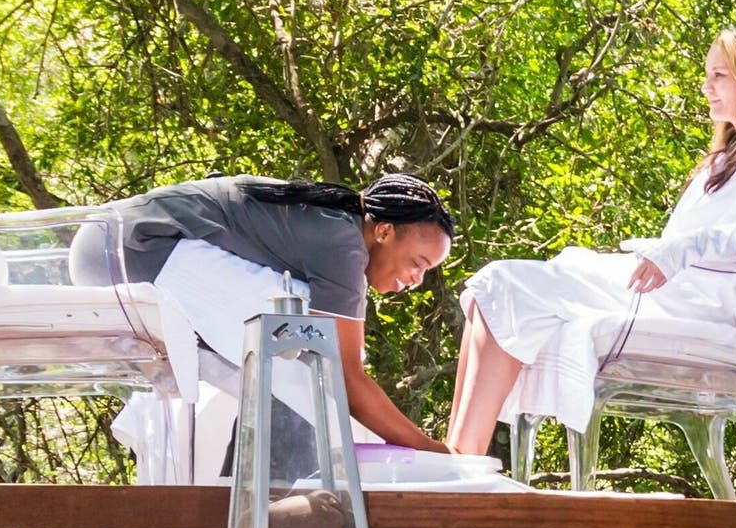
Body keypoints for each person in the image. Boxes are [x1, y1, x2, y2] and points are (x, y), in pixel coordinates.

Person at [445, 28, 736, 458]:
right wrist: (670, 253)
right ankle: (454, 452)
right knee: (490, 288)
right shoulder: (723, 159)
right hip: (670, 291)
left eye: (719, 75)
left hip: (695, 306)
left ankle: (464, 457)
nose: (706, 87)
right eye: (707, 75)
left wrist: (673, 254)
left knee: (503, 282)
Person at [73, 169, 457, 466]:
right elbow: (345, 377)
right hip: (129, 250)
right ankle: (290, 486)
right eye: (418, 263)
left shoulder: (334, 226)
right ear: (385, 231)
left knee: (301, 342)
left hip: (102, 246)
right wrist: (432, 450)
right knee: (303, 335)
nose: (416, 280)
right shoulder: (344, 246)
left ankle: (240, 479)